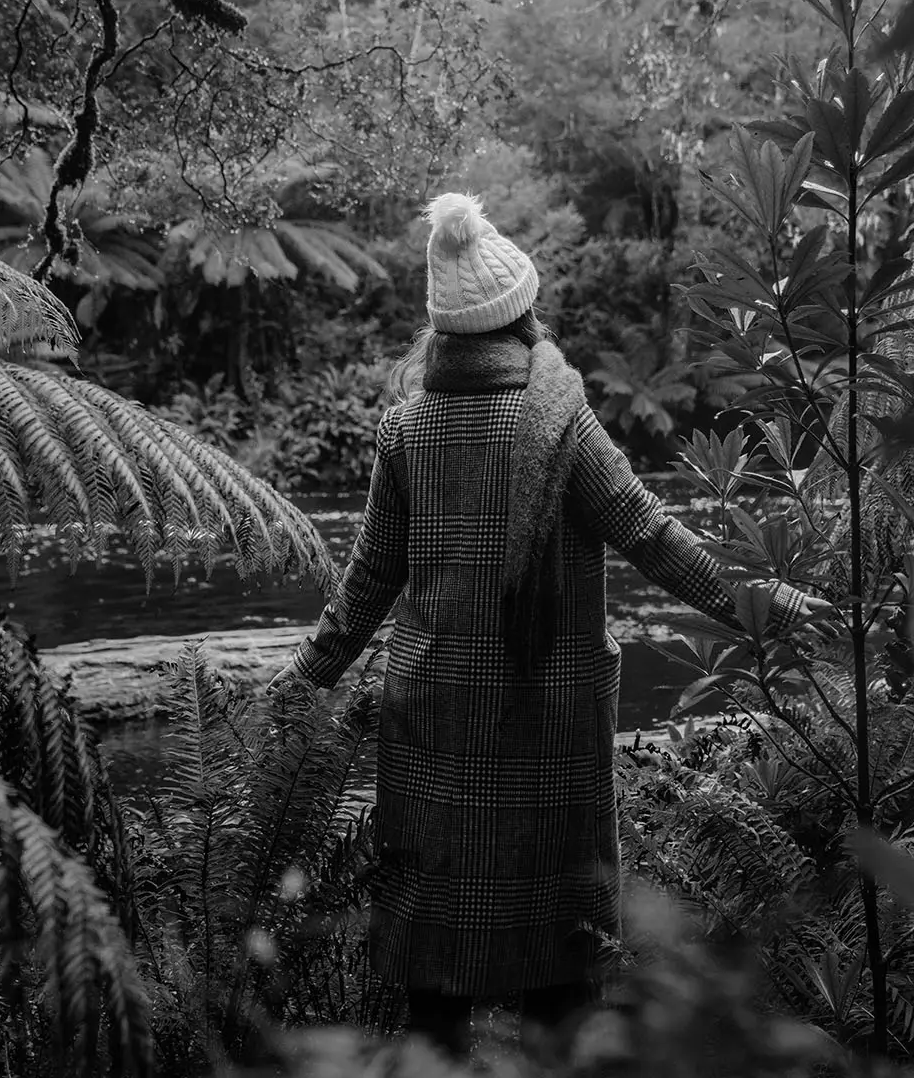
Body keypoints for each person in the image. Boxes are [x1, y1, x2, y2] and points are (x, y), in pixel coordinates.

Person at [268, 192, 827, 1058]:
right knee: (560, 975)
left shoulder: (408, 422)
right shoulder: (560, 420)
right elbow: (650, 535)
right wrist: (772, 610)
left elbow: (369, 581)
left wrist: (303, 677)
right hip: (546, 726)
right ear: (520, 313)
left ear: (443, 331)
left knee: (433, 974)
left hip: (433, 728)